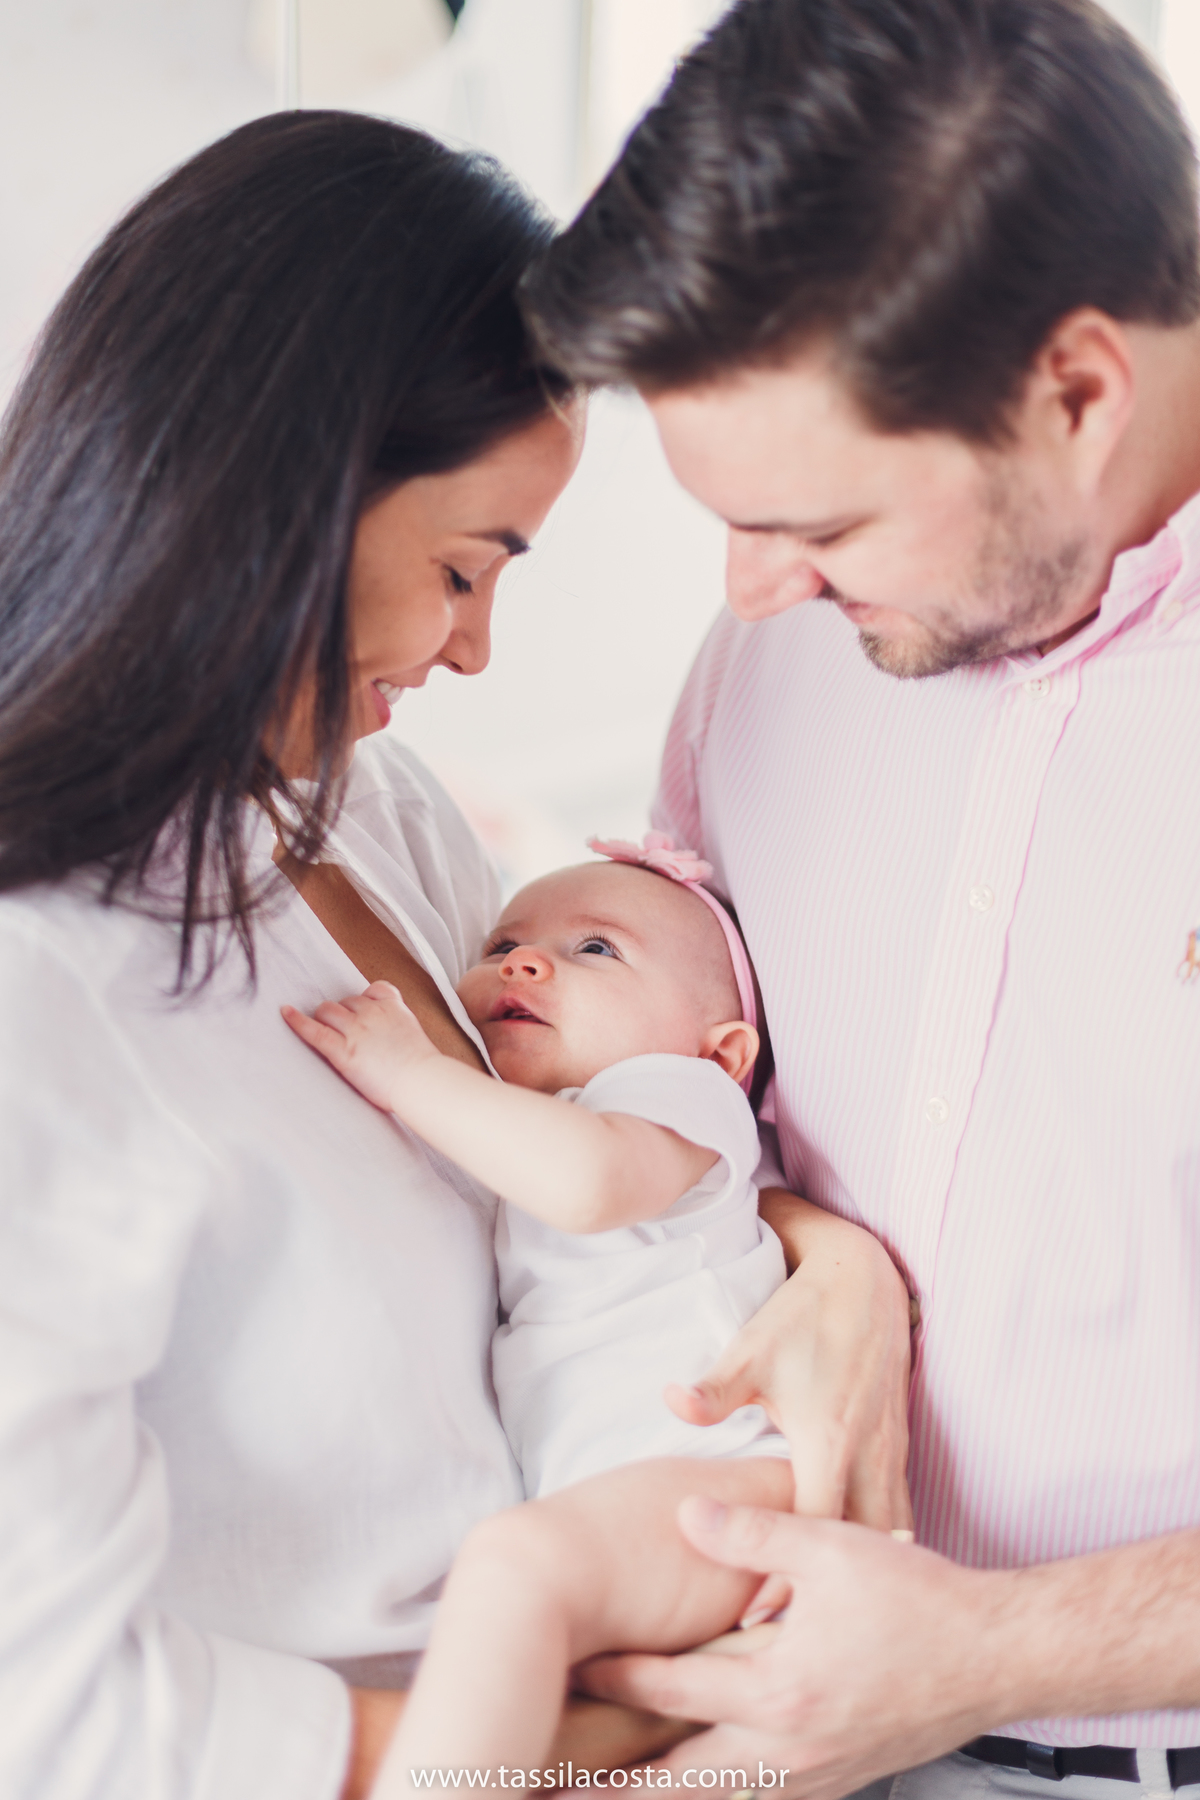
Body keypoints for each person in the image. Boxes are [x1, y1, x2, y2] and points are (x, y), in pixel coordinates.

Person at [0, 109, 912, 1800]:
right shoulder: (41, 980)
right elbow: (47, 1710)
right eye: (461, 570)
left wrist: (822, 1267)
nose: (477, 650)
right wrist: (549, 1754)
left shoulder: (370, 810)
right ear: (288, 489)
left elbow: (567, 1139)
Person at [522, 0, 1200, 1795]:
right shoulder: (777, 662)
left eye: (817, 528)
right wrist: (842, 1266)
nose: (750, 595)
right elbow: (719, 1078)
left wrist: (996, 1651)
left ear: (1075, 393)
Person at [284, 839, 800, 1788]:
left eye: (596, 950)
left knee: (516, 1571)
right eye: (504, 942)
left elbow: (588, 1178)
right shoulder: (546, 1131)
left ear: (721, 1049)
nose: (523, 962)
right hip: (651, 1510)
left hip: (734, 1487)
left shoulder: (677, 1098)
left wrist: (409, 1073)